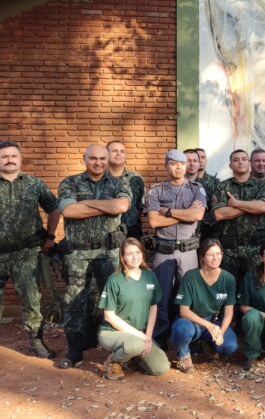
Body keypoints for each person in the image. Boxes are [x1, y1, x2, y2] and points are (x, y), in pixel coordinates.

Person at [56, 144, 131, 368]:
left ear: (107, 160)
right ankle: (75, 350)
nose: (98, 162)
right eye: (93, 158)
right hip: (77, 252)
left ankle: (118, 348)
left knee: (113, 299)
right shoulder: (70, 183)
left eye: (102, 158)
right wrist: (107, 207)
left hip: (108, 252)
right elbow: (68, 210)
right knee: (75, 300)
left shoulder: (119, 182)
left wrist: (84, 203)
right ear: (84, 159)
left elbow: (122, 205)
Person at [0, 140, 60, 358]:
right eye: (4, 156)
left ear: (20, 159)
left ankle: (35, 342)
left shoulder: (34, 184)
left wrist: (51, 237)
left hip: (26, 254)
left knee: (31, 298)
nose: (9, 160)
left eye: (13, 156)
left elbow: (54, 209)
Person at [146, 149, 206, 344]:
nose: (178, 167)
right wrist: (185, 214)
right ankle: (160, 340)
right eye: (173, 163)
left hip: (189, 252)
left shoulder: (197, 189)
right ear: (166, 165)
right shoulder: (156, 190)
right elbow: (154, 221)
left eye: (182, 163)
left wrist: (168, 211)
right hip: (164, 250)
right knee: (161, 297)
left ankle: (188, 340)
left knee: (190, 297)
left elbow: (197, 216)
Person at [98, 238, 170, 380]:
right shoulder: (115, 280)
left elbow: (153, 307)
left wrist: (148, 335)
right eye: (129, 253)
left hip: (140, 335)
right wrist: (139, 335)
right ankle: (113, 361)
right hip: (113, 332)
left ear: (142, 254)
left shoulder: (150, 276)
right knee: (136, 344)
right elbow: (109, 316)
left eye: (137, 252)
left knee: (161, 367)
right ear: (122, 257)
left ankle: (132, 357)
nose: (134, 257)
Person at [171, 239, 238, 373]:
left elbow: (229, 312)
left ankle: (212, 347)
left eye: (218, 253)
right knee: (181, 331)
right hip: (192, 322)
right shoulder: (191, 277)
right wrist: (207, 325)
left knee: (229, 346)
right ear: (202, 257)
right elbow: (184, 311)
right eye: (210, 254)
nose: (215, 258)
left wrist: (221, 333)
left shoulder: (228, 279)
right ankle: (184, 355)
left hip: (214, 322)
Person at [212, 149, 265, 284]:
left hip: (255, 250)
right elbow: (219, 214)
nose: (240, 162)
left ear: (249, 163)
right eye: (236, 160)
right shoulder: (223, 186)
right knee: (227, 288)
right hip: (230, 251)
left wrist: (236, 203)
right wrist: (251, 205)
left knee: (255, 288)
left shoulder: (262, 185)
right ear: (230, 166)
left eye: (244, 159)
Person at [107, 140, 145, 238]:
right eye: (114, 151)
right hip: (105, 233)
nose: (119, 153)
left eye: (122, 151)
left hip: (130, 232)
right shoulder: (98, 178)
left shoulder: (136, 179)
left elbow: (141, 206)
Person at [194, 148, 220, 241]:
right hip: (190, 227)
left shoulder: (215, 182)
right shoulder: (186, 181)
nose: (200, 160)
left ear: (206, 160)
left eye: (203, 157)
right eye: (198, 157)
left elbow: (217, 204)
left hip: (210, 228)